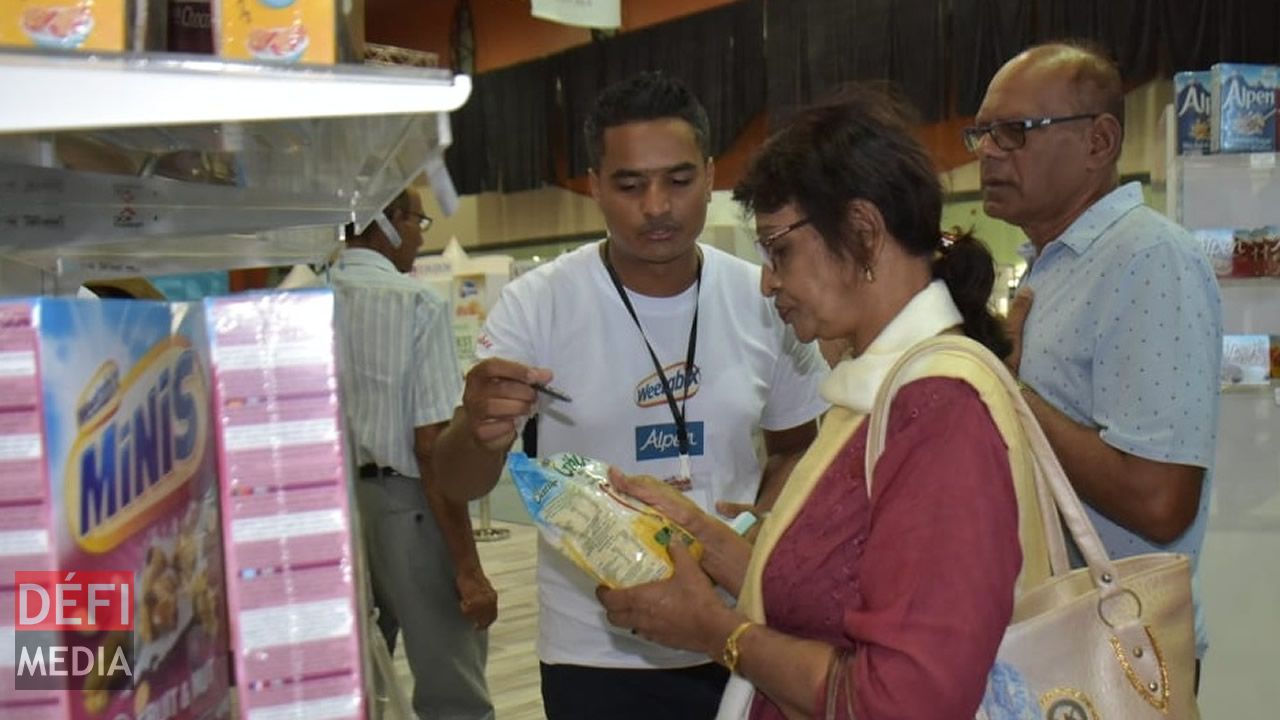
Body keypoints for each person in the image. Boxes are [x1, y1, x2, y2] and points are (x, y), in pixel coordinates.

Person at [596, 86, 1048, 719]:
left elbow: (908, 700)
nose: (768, 281)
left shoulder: (939, 414)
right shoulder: (877, 393)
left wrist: (714, 634)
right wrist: (697, 532)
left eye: (780, 250)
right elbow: (831, 586)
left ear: (862, 232)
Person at [432, 72, 830, 719]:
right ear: (594, 186)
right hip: (595, 649)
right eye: (629, 184)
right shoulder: (539, 305)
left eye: (677, 180)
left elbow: (794, 449)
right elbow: (459, 481)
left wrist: (755, 524)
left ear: (708, 176)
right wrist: (475, 428)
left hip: (739, 632)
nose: (656, 206)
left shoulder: (761, 297)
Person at [969, 41, 1222, 676]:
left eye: (1013, 132)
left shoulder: (1148, 258)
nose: (986, 152)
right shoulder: (1054, 265)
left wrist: (1009, 391)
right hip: (1062, 642)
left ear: (1098, 143)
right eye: (982, 133)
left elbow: (1160, 502)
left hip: (1121, 656)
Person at [328, 189, 497, 720]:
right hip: (408, 508)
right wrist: (468, 568)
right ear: (389, 222)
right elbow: (431, 446)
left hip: (334, 510)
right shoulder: (413, 302)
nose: (423, 234)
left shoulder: (308, 294)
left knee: (353, 676)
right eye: (419, 220)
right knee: (453, 684)